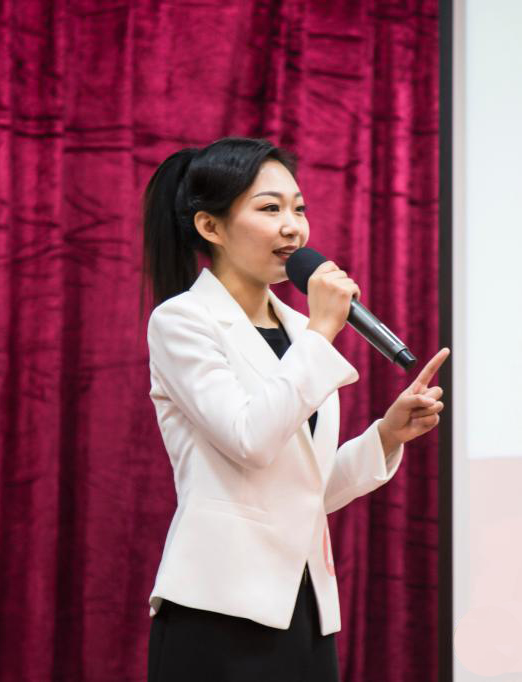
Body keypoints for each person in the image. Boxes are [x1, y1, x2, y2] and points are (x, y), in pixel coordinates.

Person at [142, 136, 448, 681]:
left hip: (304, 607)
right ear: (211, 227)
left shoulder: (299, 331)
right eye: (270, 209)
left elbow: (305, 492)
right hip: (217, 608)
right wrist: (323, 330)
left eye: (299, 209)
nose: (294, 228)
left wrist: (386, 435)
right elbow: (250, 439)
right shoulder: (183, 321)